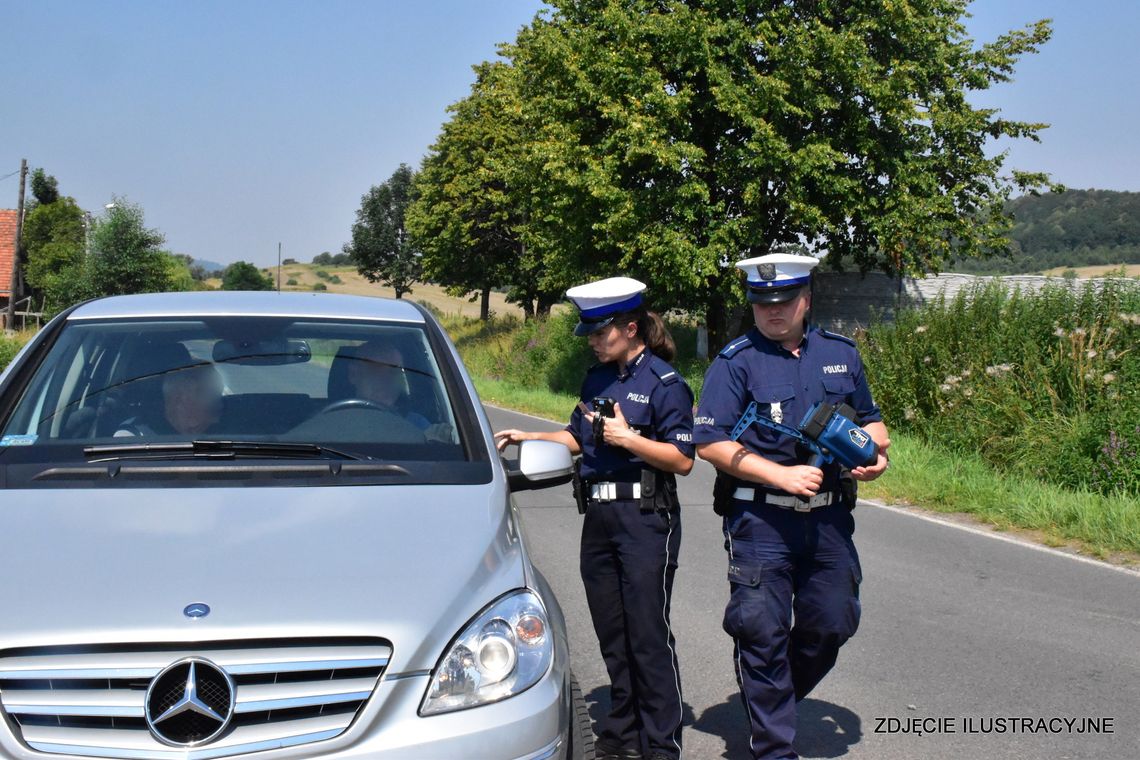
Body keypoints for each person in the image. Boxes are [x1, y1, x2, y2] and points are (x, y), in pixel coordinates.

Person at [692, 252, 890, 760]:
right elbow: (709, 441)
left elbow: (873, 422)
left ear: (805, 300)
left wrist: (874, 457)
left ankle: (772, 697)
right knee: (760, 628)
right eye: (762, 303)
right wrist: (778, 473)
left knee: (833, 621)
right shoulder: (736, 361)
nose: (772, 311)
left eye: (782, 302)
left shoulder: (841, 353)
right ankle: (774, 746)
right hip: (760, 518)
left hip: (828, 518)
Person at [494, 277, 694, 760]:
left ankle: (661, 744)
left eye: (600, 332)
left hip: (646, 516)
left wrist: (630, 440)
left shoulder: (665, 384)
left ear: (630, 328)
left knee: (647, 634)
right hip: (600, 518)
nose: (592, 340)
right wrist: (529, 438)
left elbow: (682, 459)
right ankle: (623, 734)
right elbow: (578, 438)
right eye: (589, 332)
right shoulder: (595, 379)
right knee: (612, 633)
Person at [345, 340, 453, 442]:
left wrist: (427, 442)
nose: (386, 380)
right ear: (353, 375)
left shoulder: (417, 425)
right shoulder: (333, 421)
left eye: (394, 371)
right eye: (375, 370)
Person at [115, 353, 224, 437]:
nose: (216, 420)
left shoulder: (231, 436)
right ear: (180, 399)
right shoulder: (135, 437)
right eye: (211, 407)